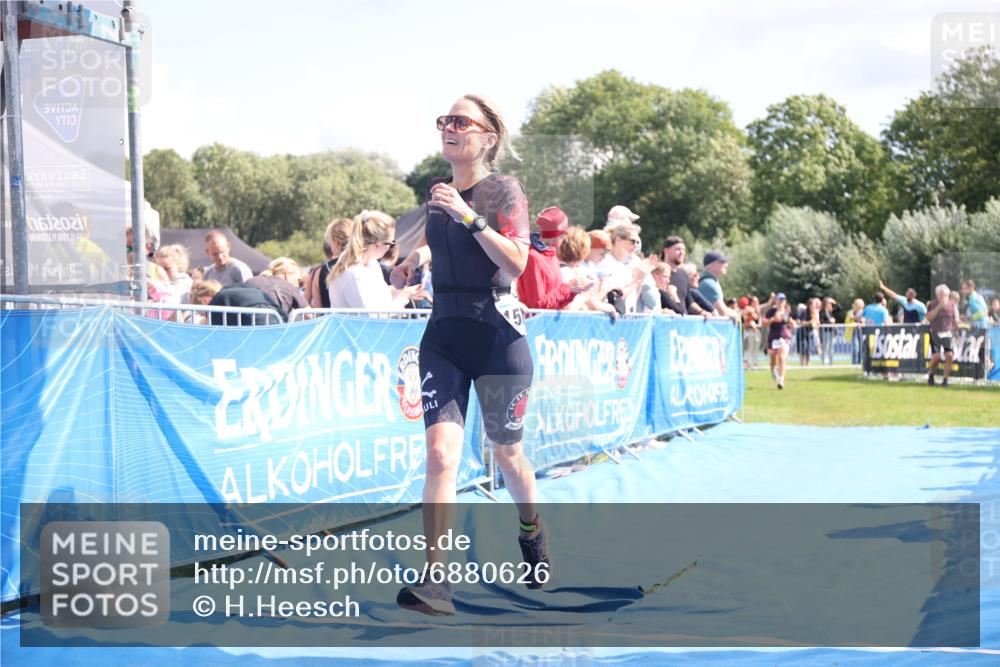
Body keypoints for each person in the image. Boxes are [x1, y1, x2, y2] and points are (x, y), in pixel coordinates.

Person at [389, 95, 548, 616]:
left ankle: (532, 531)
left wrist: (471, 217)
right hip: (443, 336)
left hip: (498, 335)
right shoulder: (437, 193)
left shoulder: (504, 190)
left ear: (487, 137)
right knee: (440, 456)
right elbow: (446, 243)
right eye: (444, 120)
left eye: (461, 121)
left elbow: (519, 261)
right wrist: (415, 256)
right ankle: (437, 583)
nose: (449, 128)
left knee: (507, 456)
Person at [327, 211, 424, 309]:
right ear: (377, 244)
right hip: (359, 324)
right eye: (391, 243)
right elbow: (373, 316)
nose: (390, 248)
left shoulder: (371, 263)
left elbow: (380, 295)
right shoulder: (354, 274)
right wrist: (404, 296)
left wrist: (406, 291)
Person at [517, 206, 580, 310]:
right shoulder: (533, 257)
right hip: (535, 324)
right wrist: (569, 288)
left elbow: (555, 300)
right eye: (563, 235)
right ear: (558, 234)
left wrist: (573, 290)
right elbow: (538, 305)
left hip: (549, 323)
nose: (564, 238)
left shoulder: (551, 255)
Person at [597, 224, 652, 313]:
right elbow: (615, 298)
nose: (636, 245)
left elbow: (631, 301)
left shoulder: (624, 268)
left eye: (637, 242)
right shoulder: (604, 263)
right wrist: (636, 281)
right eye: (632, 241)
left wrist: (641, 279)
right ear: (618, 240)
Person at [304, 217, 353, 308]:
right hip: (363, 321)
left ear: (336, 242)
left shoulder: (319, 272)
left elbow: (318, 309)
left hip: (331, 320)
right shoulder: (366, 264)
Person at [926, 284, 960, 386]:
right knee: (936, 357)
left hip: (948, 333)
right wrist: (939, 306)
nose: (945, 298)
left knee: (949, 356)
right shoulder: (932, 304)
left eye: (946, 295)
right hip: (935, 333)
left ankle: (945, 380)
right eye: (942, 295)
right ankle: (931, 374)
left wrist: (957, 328)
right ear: (938, 295)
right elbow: (928, 317)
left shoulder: (952, 305)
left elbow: (956, 320)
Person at [763, 293, 795, 389]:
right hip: (773, 337)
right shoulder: (771, 311)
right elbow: (764, 323)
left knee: (781, 357)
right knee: (773, 357)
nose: (782, 302)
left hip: (785, 337)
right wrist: (772, 319)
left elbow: (790, 321)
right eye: (780, 300)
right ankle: (773, 369)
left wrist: (792, 323)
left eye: (783, 300)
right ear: (776, 301)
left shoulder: (787, 310)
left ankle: (781, 380)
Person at [697, 250, 738, 319]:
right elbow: (723, 312)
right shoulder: (709, 283)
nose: (726, 265)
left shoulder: (711, 281)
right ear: (712, 265)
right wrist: (738, 315)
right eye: (722, 262)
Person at [742, 296, 762, 369]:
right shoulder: (748, 309)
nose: (755, 303)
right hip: (750, 330)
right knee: (750, 347)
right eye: (754, 301)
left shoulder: (759, 309)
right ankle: (748, 363)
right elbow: (746, 319)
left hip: (758, 330)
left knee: (757, 347)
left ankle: (755, 362)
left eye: (756, 301)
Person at [844, 298, 865, 364]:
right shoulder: (850, 312)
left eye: (860, 304)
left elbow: (865, 321)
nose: (858, 305)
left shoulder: (864, 312)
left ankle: (859, 363)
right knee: (856, 348)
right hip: (853, 331)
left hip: (862, 331)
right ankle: (854, 363)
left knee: (861, 348)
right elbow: (846, 323)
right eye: (857, 304)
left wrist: (860, 321)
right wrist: (855, 323)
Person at [819, 297, 839, 366]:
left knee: (831, 347)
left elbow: (839, 309)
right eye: (828, 303)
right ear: (825, 303)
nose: (830, 304)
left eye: (830, 303)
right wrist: (830, 321)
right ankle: (824, 362)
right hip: (825, 331)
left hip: (832, 331)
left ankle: (831, 363)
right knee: (825, 347)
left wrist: (834, 302)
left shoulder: (831, 311)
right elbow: (821, 322)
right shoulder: (822, 312)